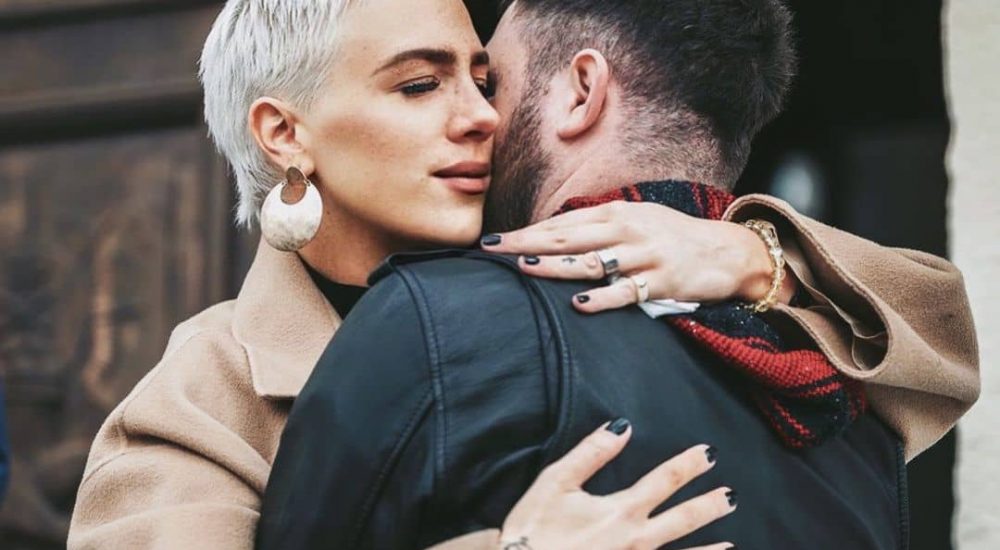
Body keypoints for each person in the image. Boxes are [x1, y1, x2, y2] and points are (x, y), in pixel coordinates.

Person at [69, 0, 978, 548]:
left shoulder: (603, 282)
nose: (480, 117)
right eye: (419, 85)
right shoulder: (202, 393)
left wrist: (753, 256)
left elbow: (942, 341)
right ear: (285, 134)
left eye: (484, 80)